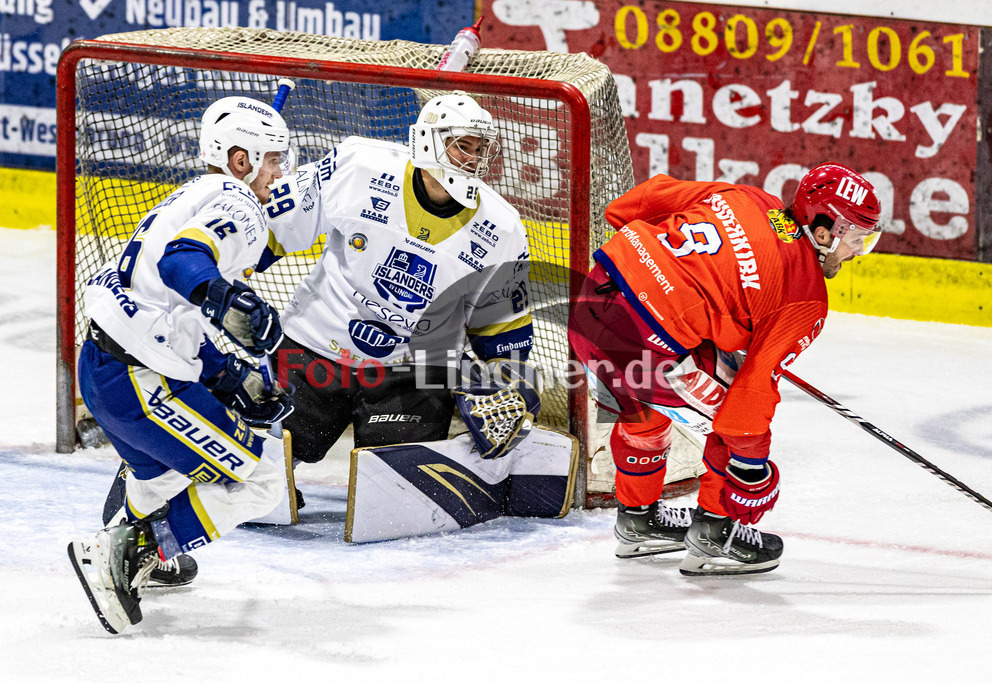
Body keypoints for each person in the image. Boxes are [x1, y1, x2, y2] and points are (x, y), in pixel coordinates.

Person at [567, 163, 882, 575]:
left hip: (590, 306)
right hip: (641, 349)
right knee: (736, 421)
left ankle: (639, 519)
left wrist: (667, 278)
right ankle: (715, 534)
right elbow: (748, 403)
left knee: (657, 399)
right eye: (857, 239)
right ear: (823, 232)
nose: (858, 252)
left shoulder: (748, 198)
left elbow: (633, 204)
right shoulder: (806, 297)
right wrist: (752, 471)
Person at [67, 95, 296, 634]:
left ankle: (132, 533)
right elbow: (182, 264)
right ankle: (135, 550)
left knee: (163, 479)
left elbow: (174, 313)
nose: (279, 173)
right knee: (262, 480)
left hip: (102, 367)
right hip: (139, 384)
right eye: (273, 159)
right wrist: (222, 297)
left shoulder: (192, 193)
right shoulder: (238, 200)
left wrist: (226, 375)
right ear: (240, 160)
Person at [261, 91, 537, 466]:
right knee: (266, 461)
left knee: (397, 479)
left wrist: (514, 387)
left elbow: (501, 331)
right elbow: (277, 229)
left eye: (479, 148)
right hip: (314, 345)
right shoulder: (359, 165)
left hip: (410, 369)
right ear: (427, 142)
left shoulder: (502, 229)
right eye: (462, 146)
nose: (473, 159)